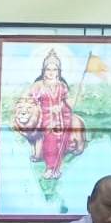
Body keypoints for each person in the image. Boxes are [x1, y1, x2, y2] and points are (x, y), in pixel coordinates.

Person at [26, 50, 76, 179]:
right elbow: (31, 102)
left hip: (60, 119)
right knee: (50, 142)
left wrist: (63, 106)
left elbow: (67, 102)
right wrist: (47, 109)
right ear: (44, 71)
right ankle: (49, 168)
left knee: (61, 142)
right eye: (48, 69)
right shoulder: (37, 86)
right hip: (44, 119)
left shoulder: (62, 86)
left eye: (54, 69)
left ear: (58, 71)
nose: (51, 72)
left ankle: (57, 169)